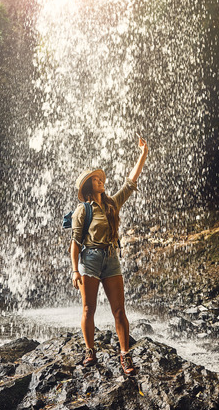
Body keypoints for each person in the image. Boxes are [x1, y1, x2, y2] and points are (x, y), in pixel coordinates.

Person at [70, 135, 148, 375]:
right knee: (88, 309)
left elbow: (130, 182)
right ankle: (90, 351)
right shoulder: (82, 211)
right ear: (88, 186)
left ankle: (125, 355)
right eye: (95, 179)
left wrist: (143, 154)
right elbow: (74, 244)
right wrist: (74, 270)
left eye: (101, 178)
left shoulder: (113, 203)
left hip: (112, 257)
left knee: (119, 310)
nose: (101, 181)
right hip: (90, 260)